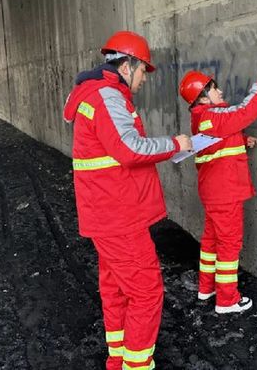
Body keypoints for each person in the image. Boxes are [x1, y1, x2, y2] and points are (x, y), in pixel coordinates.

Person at [63, 31, 192, 370]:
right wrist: (176, 144)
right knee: (147, 292)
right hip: (118, 216)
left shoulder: (97, 94)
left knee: (117, 290)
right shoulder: (106, 97)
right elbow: (129, 148)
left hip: (107, 214)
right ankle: (135, 365)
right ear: (126, 66)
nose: (144, 79)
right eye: (143, 71)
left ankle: (119, 360)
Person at [178, 68, 257, 314]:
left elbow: (217, 140)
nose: (219, 91)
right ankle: (227, 300)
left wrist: (242, 140)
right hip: (225, 192)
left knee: (211, 241)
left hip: (213, 192)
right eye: (213, 89)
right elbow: (244, 112)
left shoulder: (202, 118)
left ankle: (206, 287)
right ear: (202, 97)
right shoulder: (213, 115)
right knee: (229, 244)